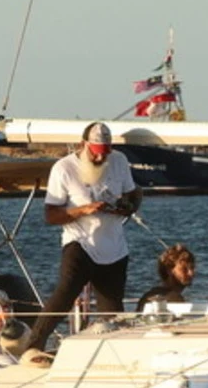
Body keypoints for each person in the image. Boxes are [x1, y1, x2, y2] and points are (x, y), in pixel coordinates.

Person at [17, 122, 141, 366]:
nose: (100, 156)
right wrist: (83, 210)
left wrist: (128, 207)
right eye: (95, 151)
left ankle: (116, 358)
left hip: (114, 246)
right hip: (80, 242)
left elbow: (134, 193)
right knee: (66, 292)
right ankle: (33, 347)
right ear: (84, 145)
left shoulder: (119, 160)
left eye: (104, 151)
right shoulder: (64, 168)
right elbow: (51, 216)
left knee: (113, 308)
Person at [137, 243, 199, 312]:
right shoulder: (175, 299)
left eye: (192, 268)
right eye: (184, 269)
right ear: (169, 270)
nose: (191, 273)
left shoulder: (147, 296)